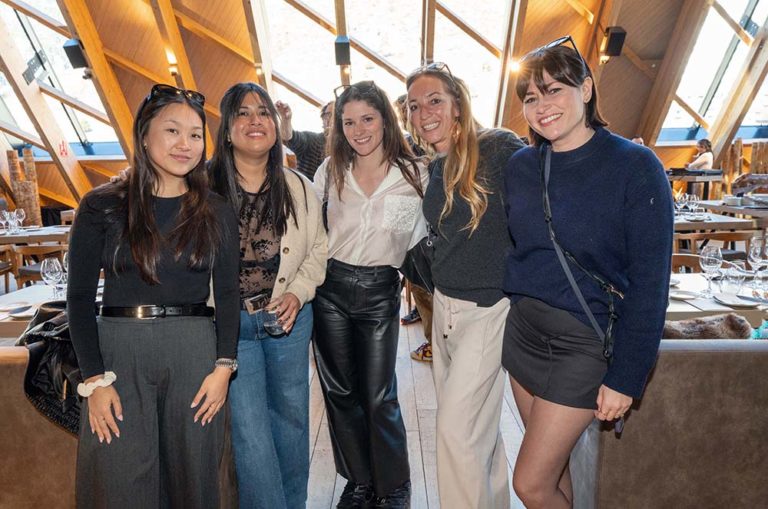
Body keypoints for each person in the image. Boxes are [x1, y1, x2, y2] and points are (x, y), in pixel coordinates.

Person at [502, 38, 673, 508]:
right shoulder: (521, 166)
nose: (542, 106)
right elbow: (521, 250)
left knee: (529, 484)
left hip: (584, 342)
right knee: (554, 475)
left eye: (554, 90)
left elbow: (651, 283)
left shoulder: (635, 166)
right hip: (524, 335)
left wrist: (627, 376)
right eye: (530, 98)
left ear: (586, 88)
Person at [67, 84, 240, 508]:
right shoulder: (100, 206)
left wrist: (223, 368)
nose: (185, 144)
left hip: (193, 353)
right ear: (144, 135)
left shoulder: (217, 210)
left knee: (193, 481)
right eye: (172, 130)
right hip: (118, 356)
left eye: (195, 134)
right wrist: (94, 379)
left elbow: (228, 293)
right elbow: (79, 298)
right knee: (119, 482)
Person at [406, 63, 525, 508]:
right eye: (414, 106)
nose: (424, 113)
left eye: (434, 100)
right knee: (479, 432)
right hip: (444, 308)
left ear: (457, 104)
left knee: (456, 432)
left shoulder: (498, 147)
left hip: (489, 309)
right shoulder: (435, 167)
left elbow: (544, 203)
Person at [209, 82, 328, 509]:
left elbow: (318, 249)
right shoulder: (201, 188)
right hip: (231, 329)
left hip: (288, 323)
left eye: (263, 112)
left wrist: (297, 292)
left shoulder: (298, 186)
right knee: (250, 433)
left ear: (276, 127)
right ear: (227, 129)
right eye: (242, 113)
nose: (254, 120)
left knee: (292, 423)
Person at [312, 80, 428, 508]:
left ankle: (393, 485)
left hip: (380, 291)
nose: (358, 130)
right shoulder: (330, 171)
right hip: (330, 289)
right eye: (348, 122)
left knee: (379, 395)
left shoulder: (413, 173)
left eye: (367, 119)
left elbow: (415, 238)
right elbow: (311, 231)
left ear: (385, 120)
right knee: (340, 392)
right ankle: (359, 480)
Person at [394, 94, 433, 361]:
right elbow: (398, 223)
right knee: (423, 291)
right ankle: (434, 343)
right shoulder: (406, 146)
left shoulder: (424, 145)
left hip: (428, 240)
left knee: (428, 293)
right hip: (415, 243)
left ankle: (435, 344)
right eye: (408, 109)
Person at [276, 99, 333, 180]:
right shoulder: (312, 141)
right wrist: (285, 119)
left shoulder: (349, 148)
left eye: (336, 114)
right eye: (328, 115)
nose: (332, 119)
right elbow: (288, 137)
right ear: (323, 120)